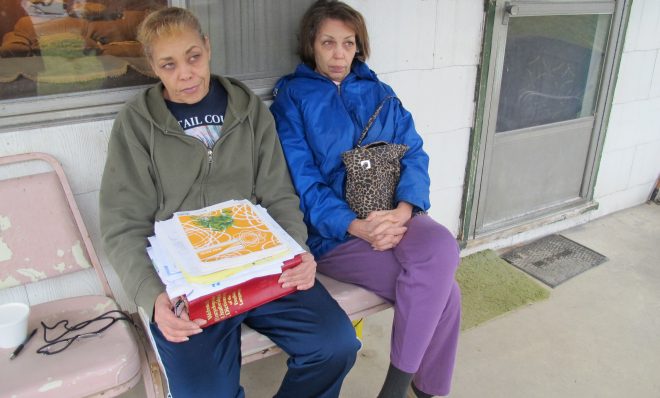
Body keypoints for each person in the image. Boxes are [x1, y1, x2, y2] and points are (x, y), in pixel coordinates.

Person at [99, 7, 359, 398]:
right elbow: (123, 224)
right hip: (188, 281)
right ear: (152, 66)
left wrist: (299, 251)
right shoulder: (137, 124)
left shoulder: (247, 109)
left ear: (208, 47)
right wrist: (153, 297)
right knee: (205, 392)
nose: (185, 73)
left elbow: (278, 193)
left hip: (261, 261)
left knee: (335, 345)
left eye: (193, 57)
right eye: (169, 64)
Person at [270, 1, 461, 397]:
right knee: (445, 293)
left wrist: (403, 211)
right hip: (336, 234)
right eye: (328, 43)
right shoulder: (293, 98)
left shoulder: (380, 93)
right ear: (312, 45)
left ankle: (397, 389)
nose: (339, 54)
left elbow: (414, 153)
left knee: (441, 246)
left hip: (394, 213)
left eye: (348, 43)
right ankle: (422, 391)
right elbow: (301, 181)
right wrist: (356, 226)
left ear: (359, 46)